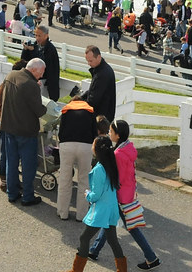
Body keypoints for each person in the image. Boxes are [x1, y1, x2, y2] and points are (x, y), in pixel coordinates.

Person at [89, 120, 161, 270]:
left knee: (131, 228)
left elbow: (117, 177)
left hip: (120, 196)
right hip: (128, 193)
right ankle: (94, 250)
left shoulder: (119, 154)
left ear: (118, 135)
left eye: (111, 131)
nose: (109, 133)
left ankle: (152, 257)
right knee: (110, 223)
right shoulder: (128, 147)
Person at [65, 135, 124, 272]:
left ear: (97, 150)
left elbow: (96, 195)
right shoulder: (111, 165)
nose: (91, 146)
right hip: (111, 209)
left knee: (84, 238)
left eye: (93, 144)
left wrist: (87, 195)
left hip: (101, 211)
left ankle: (77, 270)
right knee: (113, 241)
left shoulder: (99, 170)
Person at [0, 58, 47, 206]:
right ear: (33, 70)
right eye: (41, 72)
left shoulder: (11, 76)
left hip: (8, 126)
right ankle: (27, 196)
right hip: (25, 131)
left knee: (11, 162)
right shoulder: (31, 85)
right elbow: (39, 110)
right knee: (28, 165)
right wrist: (46, 107)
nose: (41, 76)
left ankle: (12, 193)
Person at [57, 92, 97, 220]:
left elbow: (61, 132)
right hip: (85, 146)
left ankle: (63, 212)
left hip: (67, 145)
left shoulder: (66, 111)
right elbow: (94, 133)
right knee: (84, 181)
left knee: (65, 179)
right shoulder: (90, 111)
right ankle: (82, 215)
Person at [84, 46, 116, 123]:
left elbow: (93, 99)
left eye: (91, 61)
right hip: (104, 115)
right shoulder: (103, 69)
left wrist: (80, 103)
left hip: (101, 118)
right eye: (87, 61)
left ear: (98, 57)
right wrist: (81, 97)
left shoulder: (102, 74)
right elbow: (93, 89)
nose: (88, 63)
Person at [35, 25, 60, 101]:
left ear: (46, 36)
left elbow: (51, 69)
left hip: (46, 80)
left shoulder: (50, 49)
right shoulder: (35, 45)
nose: (37, 38)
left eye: (39, 36)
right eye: (36, 35)